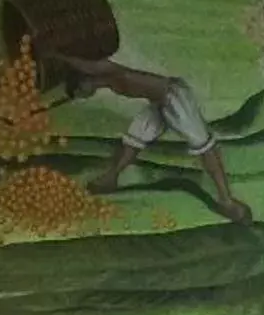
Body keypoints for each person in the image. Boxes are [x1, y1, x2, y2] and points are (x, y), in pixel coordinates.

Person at [56, 52, 253, 222]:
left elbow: (94, 65)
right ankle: (111, 177)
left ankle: (227, 200)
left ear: (85, 81)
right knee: (136, 135)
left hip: (175, 98)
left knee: (203, 145)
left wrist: (59, 56)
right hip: (159, 102)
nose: (85, 95)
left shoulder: (115, 75)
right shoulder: (109, 81)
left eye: (82, 91)